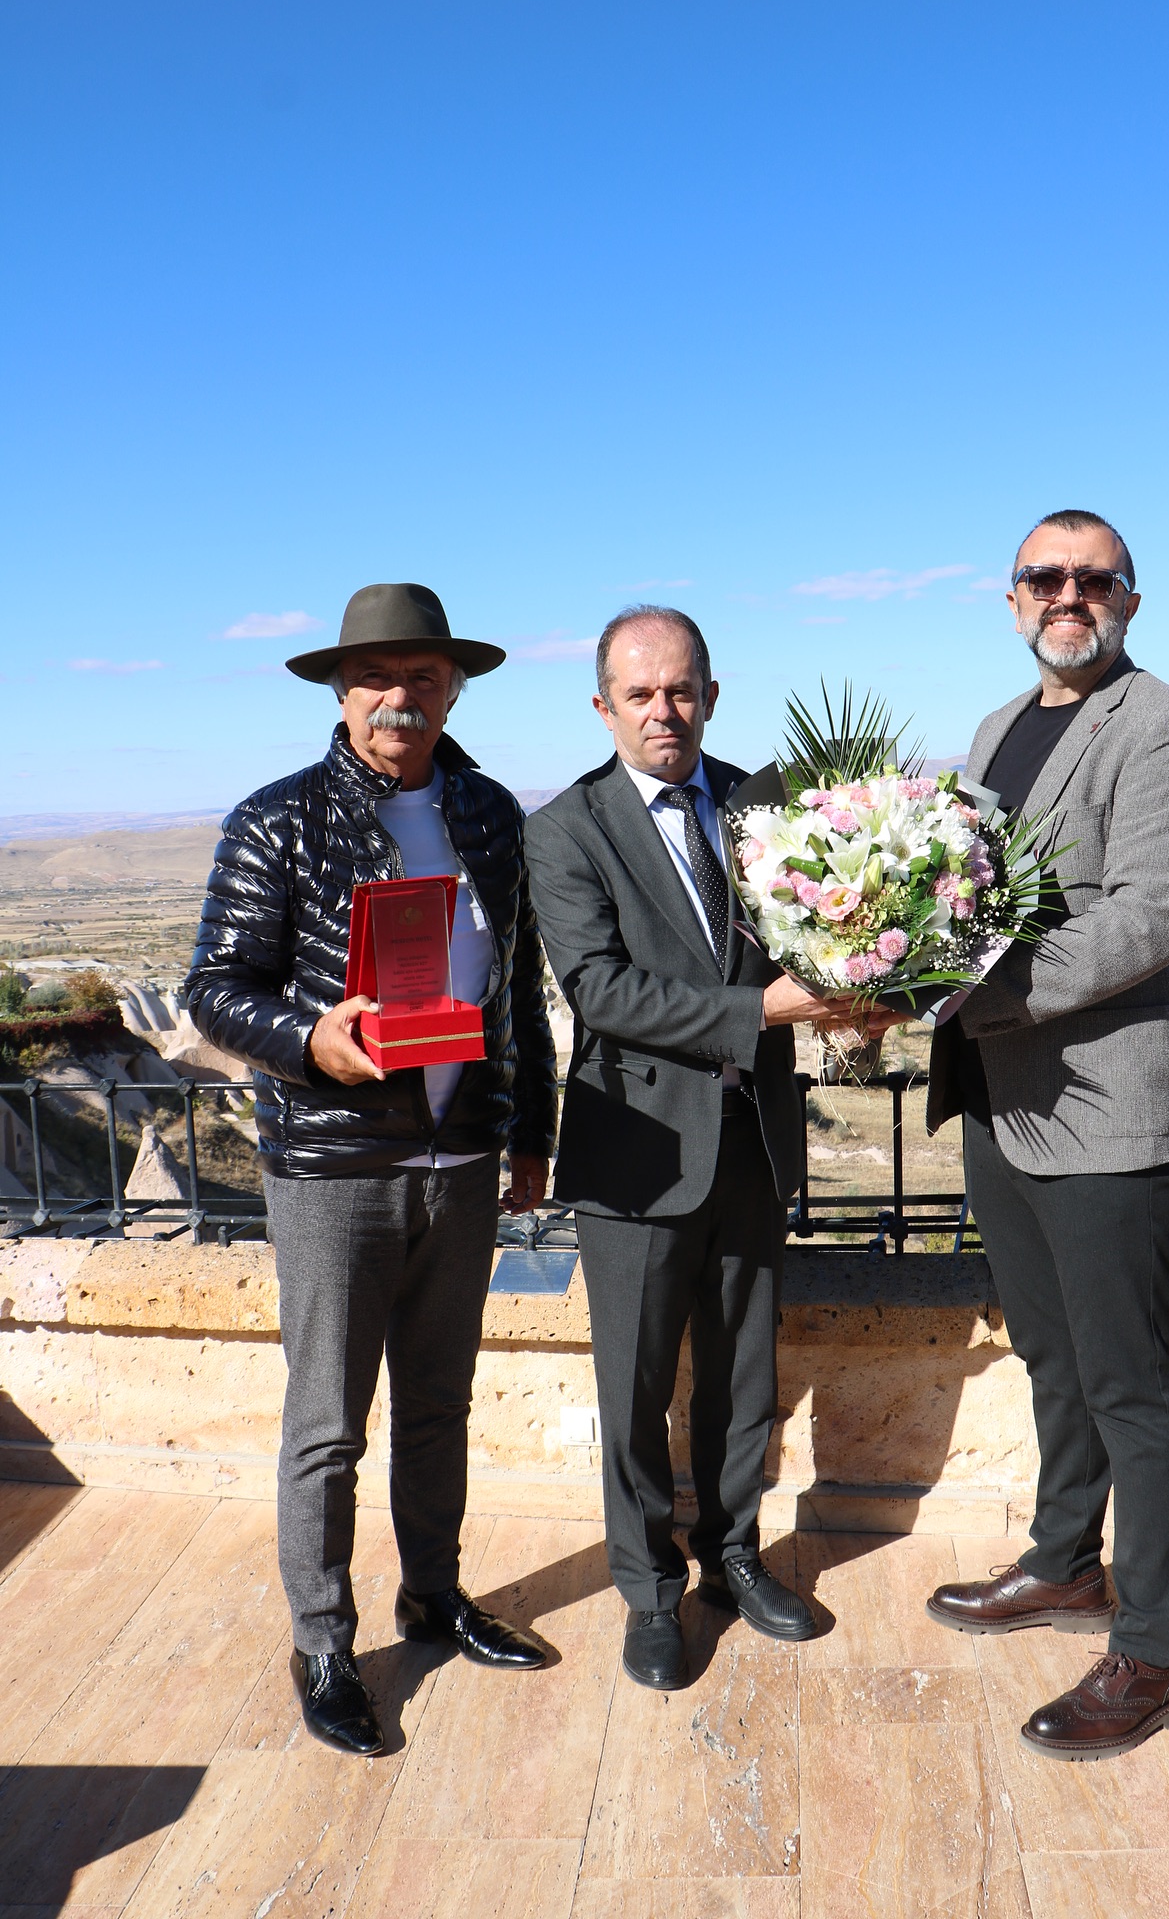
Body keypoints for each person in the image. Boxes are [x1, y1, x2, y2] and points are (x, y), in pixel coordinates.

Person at [185, 581, 558, 1755]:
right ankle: (323, 1643)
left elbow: (518, 992)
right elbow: (214, 989)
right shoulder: (276, 821)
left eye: (424, 677)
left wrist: (532, 1131)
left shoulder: (490, 814)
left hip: (463, 1156)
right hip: (334, 1164)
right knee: (329, 1424)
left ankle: (433, 1596)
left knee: (439, 1404)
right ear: (343, 692)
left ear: (455, 690)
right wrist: (311, 1039)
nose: (400, 697)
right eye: (377, 677)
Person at [923, 511, 1169, 1760]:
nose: (1068, 595)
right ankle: (1064, 1562)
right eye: (1044, 577)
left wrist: (965, 991)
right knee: (1052, 1354)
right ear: (1011, 599)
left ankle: (1152, 1651)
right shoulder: (1000, 728)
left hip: (1109, 1110)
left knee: (1130, 1385)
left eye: (1094, 580)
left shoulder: (1162, 728)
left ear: (1129, 602)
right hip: (1005, 1103)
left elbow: (1147, 920)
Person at [524, 605, 863, 1691]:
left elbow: (829, 925)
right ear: (603, 707)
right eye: (640, 694)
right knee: (633, 1389)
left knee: (741, 1373)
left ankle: (733, 1557)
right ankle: (647, 1592)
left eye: (680, 690)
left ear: (711, 696)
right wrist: (766, 1011)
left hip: (752, 1139)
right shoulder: (566, 829)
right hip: (638, 1151)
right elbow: (602, 990)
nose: (662, 711)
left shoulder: (773, 805)